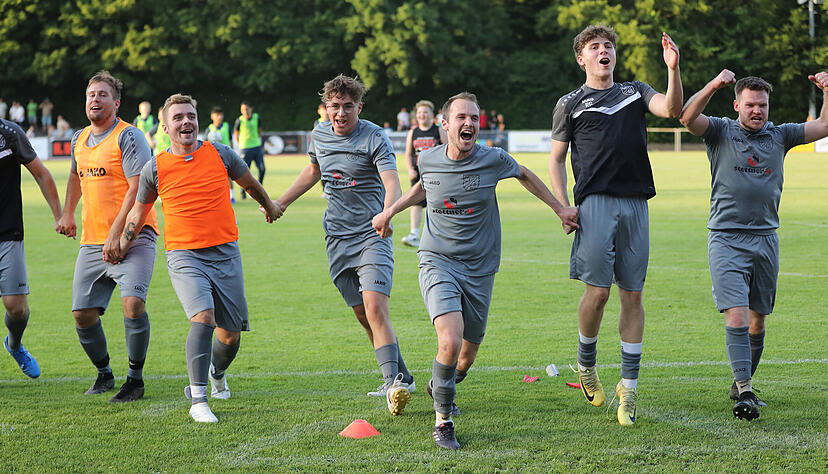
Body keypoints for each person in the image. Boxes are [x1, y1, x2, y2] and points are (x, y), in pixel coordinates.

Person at [373, 92, 577, 449]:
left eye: (474, 118)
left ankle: (441, 386)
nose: (469, 123)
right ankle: (443, 422)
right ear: (445, 124)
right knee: (449, 342)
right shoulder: (429, 158)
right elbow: (424, 189)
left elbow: (525, 175)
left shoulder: (493, 159)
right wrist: (389, 212)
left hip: (481, 268)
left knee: (465, 357)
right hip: (437, 260)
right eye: (461, 117)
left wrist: (560, 208)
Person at [118, 93, 282, 423]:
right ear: (165, 126)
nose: (186, 122)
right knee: (203, 317)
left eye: (190, 116)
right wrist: (121, 243)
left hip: (225, 253)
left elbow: (250, 182)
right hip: (183, 255)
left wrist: (270, 204)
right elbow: (139, 210)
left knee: (230, 335)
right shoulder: (156, 168)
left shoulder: (220, 154)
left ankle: (216, 373)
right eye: (177, 118)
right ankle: (198, 399)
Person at [548, 25, 682, 426]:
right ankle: (586, 363)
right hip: (594, 205)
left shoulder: (635, 91)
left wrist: (673, 70)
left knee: (633, 296)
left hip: (637, 203)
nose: (604, 51)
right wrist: (561, 205)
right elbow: (556, 159)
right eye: (595, 47)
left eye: (608, 45)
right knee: (598, 293)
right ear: (581, 58)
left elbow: (671, 110)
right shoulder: (570, 103)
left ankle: (629, 388)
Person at [679, 70, 828, 421]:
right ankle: (745, 390)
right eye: (750, 105)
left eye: (762, 105)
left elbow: (823, 126)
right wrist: (714, 84)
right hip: (726, 238)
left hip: (766, 239)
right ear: (737, 106)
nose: (757, 111)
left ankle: (741, 383)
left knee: (758, 322)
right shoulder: (720, 131)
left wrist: (827, 90)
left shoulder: (781, 135)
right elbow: (687, 117)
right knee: (737, 313)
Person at [273, 74, 415, 416]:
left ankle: (392, 385)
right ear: (326, 107)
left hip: (372, 235)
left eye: (347, 107)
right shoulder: (319, 134)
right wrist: (281, 202)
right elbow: (313, 172)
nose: (339, 113)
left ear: (359, 107)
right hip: (336, 238)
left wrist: (388, 212)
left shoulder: (374, 137)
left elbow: (392, 181)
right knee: (363, 315)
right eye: (333, 107)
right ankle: (403, 375)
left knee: (376, 307)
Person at [56, 70, 160, 403]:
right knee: (82, 314)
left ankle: (135, 379)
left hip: (134, 235)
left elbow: (138, 188)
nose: (95, 100)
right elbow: (75, 177)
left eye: (102, 95)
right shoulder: (79, 139)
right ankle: (104, 373)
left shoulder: (129, 137)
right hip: (92, 240)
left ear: (116, 103)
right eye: (91, 95)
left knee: (132, 304)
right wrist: (68, 213)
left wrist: (118, 234)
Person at [1, 117, 62, 379]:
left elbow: (41, 173)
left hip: (8, 232)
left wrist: (60, 215)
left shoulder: (9, 134)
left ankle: (14, 344)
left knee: (16, 308)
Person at [400, 100, 447, 248]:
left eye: (425, 112)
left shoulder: (438, 130)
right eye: (420, 113)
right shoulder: (413, 132)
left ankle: (439, 235)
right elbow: (408, 154)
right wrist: (410, 169)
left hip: (437, 174)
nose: (422, 115)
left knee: (437, 204)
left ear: (431, 115)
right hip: (418, 174)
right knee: (416, 203)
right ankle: (414, 234)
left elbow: (447, 150)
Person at [233, 101, 265, 199]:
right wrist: (241, 145)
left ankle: (258, 189)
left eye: (246, 109)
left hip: (257, 147)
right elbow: (236, 134)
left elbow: (259, 131)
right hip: (245, 149)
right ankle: (243, 192)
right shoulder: (239, 120)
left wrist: (257, 141)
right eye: (242, 109)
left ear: (251, 109)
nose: (245, 111)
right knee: (244, 172)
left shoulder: (257, 118)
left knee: (262, 169)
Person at [205, 106, 235, 203]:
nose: (219, 117)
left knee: (228, 176)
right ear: (212, 116)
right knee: (213, 177)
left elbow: (231, 140)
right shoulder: (209, 128)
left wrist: (232, 151)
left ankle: (232, 196)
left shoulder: (226, 126)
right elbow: (205, 143)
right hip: (213, 156)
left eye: (220, 115)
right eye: (217, 115)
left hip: (226, 154)